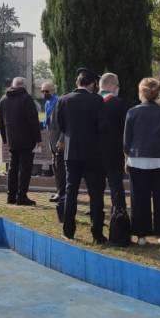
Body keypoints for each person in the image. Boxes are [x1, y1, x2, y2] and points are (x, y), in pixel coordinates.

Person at [124, 78, 160, 246]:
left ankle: (141, 235)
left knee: (139, 198)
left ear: (141, 92)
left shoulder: (132, 112)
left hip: (139, 159)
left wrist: (127, 157)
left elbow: (127, 141)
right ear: (157, 94)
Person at [55, 68, 107, 244]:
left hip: (72, 153)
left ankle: (68, 231)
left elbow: (60, 125)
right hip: (94, 153)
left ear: (78, 82)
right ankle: (97, 234)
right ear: (92, 83)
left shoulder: (64, 100)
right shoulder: (97, 100)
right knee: (96, 194)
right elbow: (102, 127)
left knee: (71, 192)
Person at [0, 77, 42, 206]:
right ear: (23, 86)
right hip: (26, 139)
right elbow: (33, 120)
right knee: (25, 169)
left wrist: (5, 139)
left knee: (13, 168)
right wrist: (38, 138)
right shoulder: (26, 98)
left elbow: (0, 123)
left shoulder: (4, 99)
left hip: (12, 139)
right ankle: (21, 196)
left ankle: (11, 196)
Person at [100, 73, 131, 211]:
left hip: (93, 150)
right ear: (111, 85)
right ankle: (118, 209)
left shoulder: (91, 100)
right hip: (114, 150)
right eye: (117, 84)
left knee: (95, 182)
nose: (118, 88)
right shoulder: (118, 103)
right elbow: (126, 127)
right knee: (116, 183)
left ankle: (96, 207)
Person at [40, 81, 64, 203]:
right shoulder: (47, 103)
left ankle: (62, 193)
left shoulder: (59, 102)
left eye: (47, 91)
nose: (44, 93)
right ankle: (59, 190)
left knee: (60, 167)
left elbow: (63, 123)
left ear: (53, 90)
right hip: (51, 138)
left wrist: (61, 139)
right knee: (55, 166)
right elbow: (47, 120)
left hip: (59, 139)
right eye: (42, 91)